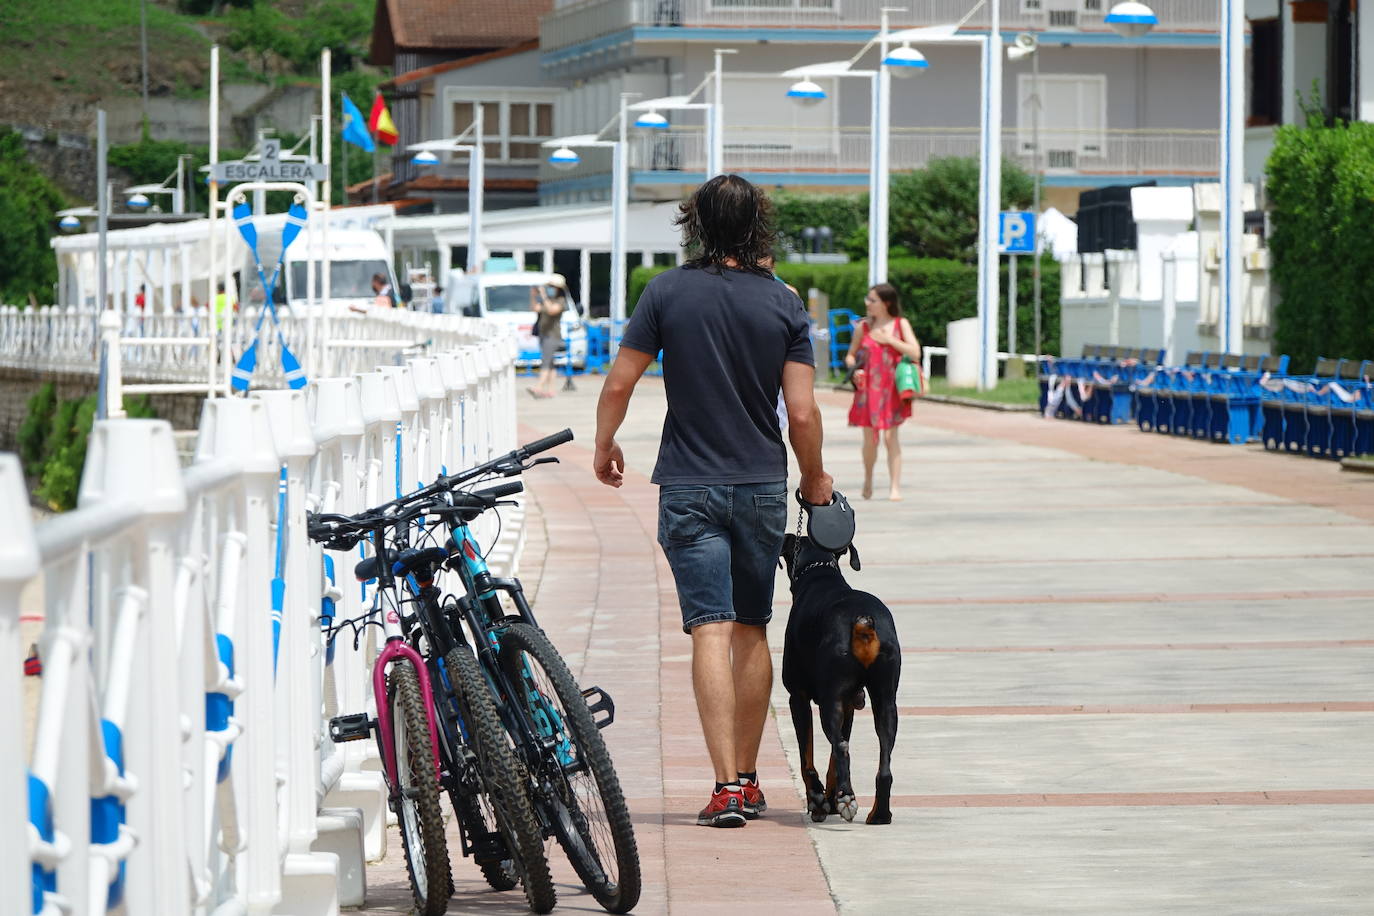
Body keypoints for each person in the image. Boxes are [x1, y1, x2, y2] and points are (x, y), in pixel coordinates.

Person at [594, 174, 833, 828]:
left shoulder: (666, 293)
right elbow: (804, 414)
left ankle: (724, 786)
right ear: (761, 225)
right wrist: (813, 477)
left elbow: (619, 384)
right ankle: (751, 781)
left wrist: (604, 444)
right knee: (752, 626)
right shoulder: (785, 304)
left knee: (709, 625)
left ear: (695, 223)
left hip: (689, 486)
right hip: (759, 487)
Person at [844, 283, 921, 501]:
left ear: (886, 303)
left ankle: (894, 486)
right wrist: (855, 369)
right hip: (868, 389)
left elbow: (915, 352)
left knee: (891, 437)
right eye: (868, 299)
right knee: (870, 439)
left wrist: (889, 340)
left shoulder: (900, 324)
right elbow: (851, 355)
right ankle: (868, 478)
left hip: (893, 389)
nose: (867, 303)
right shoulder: (863, 327)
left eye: (872, 300)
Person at [528, 285, 565, 399]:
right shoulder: (548, 301)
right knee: (550, 364)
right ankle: (551, 390)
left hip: (552, 336)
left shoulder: (560, 301)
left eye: (552, 287)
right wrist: (533, 296)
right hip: (543, 335)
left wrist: (543, 295)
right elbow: (535, 308)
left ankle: (539, 387)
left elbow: (551, 310)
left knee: (546, 362)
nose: (550, 289)